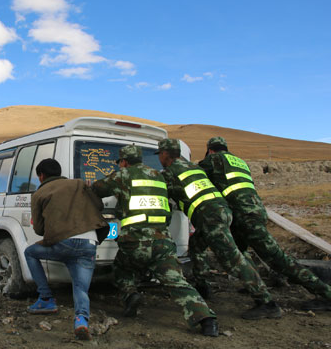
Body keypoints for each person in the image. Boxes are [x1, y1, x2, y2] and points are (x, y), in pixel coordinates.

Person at [91, 145, 219, 337]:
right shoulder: (158, 176)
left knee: (121, 269)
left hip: (134, 242)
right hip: (162, 242)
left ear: (124, 162)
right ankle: (207, 321)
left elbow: (96, 189)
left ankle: (130, 294)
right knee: (176, 281)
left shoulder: (123, 175)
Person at [199, 136, 331, 312]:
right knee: (239, 252)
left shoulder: (214, 160)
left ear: (210, 150)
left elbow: (192, 172)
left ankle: (326, 293)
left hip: (245, 216)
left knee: (278, 259)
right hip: (253, 212)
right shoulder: (239, 161)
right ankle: (254, 284)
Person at [156, 138, 282, 320]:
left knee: (233, 259)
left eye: (160, 154)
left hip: (210, 217)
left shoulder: (170, 173)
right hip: (221, 211)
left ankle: (266, 302)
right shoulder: (194, 167)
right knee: (197, 245)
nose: (159, 157)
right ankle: (202, 285)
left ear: (165, 154)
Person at [25, 158, 109, 341]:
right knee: (80, 288)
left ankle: (46, 299)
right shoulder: (79, 184)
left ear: (41, 175)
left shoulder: (39, 194)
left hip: (62, 244)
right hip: (89, 243)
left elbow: (39, 229)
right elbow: (99, 205)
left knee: (30, 252)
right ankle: (81, 320)